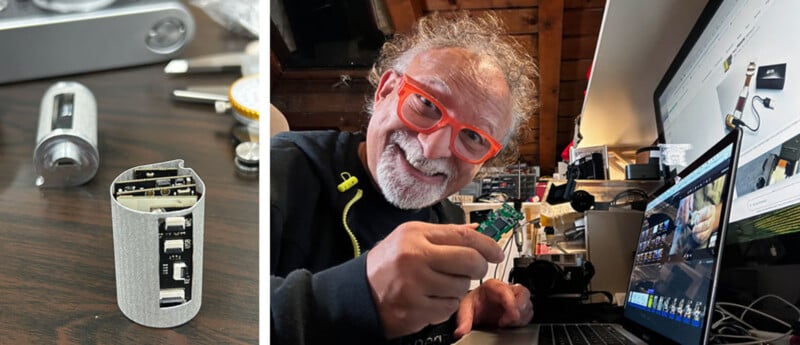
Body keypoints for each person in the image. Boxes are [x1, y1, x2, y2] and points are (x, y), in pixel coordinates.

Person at [270, 11, 538, 344]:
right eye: (426, 102)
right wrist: (358, 296)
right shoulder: (283, 171)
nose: (432, 148)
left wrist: (465, 308)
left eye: (473, 137)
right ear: (385, 91)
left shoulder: (447, 218)